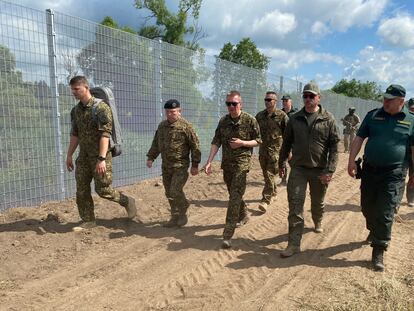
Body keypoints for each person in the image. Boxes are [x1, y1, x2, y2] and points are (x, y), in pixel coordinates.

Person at [348, 84, 414, 272]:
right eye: (384, 98)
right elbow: (359, 138)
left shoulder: (411, 121)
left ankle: (379, 250)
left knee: (385, 211)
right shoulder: (373, 115)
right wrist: (351, 161)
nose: (385, 102)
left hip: (394, 173)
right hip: (369, 170)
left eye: (389, 99)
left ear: (401, 101)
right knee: (367, 207)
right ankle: (374, 230)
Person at [278, 81, 340, 258]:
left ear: (319, 98)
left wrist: (330, 170)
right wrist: (281, 163)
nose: (307, 99)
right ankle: (293, 244)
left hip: (319, 170)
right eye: (305, 96)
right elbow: (286, 143)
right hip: (298, 169)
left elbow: (335, 146)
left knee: (317, 203)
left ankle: (318, 219)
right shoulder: (294, 118)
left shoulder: (328, 119)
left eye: (311, 96)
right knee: (295, 206)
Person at [66, 76, 136, 230]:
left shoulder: (101, 108)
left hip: (101, 155)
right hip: (83, 156)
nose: (74, 93)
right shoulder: (76, 110)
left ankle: (127, 201)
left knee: (103, 189)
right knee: (82, 189)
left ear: (86, 87)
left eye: (76, 89)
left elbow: (106, 134)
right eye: (72, 90)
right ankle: (88, 221)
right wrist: (69, 155)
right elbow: (75, 134)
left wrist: (102, 158)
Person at [203, 91, 262, 249]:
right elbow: (216, 141)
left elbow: (258, 141)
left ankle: (227, 234)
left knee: (234, 196)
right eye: (228, 104)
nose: (231, 107)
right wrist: (209, 162)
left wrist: (242, 143)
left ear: (240, 104)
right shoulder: (223, 121)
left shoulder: (250, 120)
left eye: (234, 104)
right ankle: (243, 214)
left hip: (242, 163)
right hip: (227, 164)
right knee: (234, 193)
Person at [146, 99, 201, 227]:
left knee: (175, 191)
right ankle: (174, 216)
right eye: (168, 112)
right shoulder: (162, 126)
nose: (170, 114)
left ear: (179, 112)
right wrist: (151, 157)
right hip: (166, 166)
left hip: (180, 166)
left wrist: (195, 165)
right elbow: (156, 143)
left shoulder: (186, 127)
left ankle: (183, 211)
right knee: (168, 192)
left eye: (173, 112)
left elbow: (195, 146)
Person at [255, 91, 288, 213]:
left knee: (269, 174)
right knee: (266, 175)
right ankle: (273, 192)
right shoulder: (259, 116)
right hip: (262, 151)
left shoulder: (282, 116)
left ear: (275, 101)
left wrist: (288, 152)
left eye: (269, 100)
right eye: (266, 99)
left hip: (276, 152)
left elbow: (288, 135)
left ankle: (265, 200)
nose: (267, 102)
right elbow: (254, 132)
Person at [280, 94, 298, 186]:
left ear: (291, 102)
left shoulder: (295, 114)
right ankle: (283, 180)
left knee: (292, 161)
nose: (284, 102)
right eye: (283, 101)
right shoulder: (280, 113)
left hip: (293, 141)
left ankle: (296, 178)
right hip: (282, 140)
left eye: (286, 101)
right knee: (282, 160)